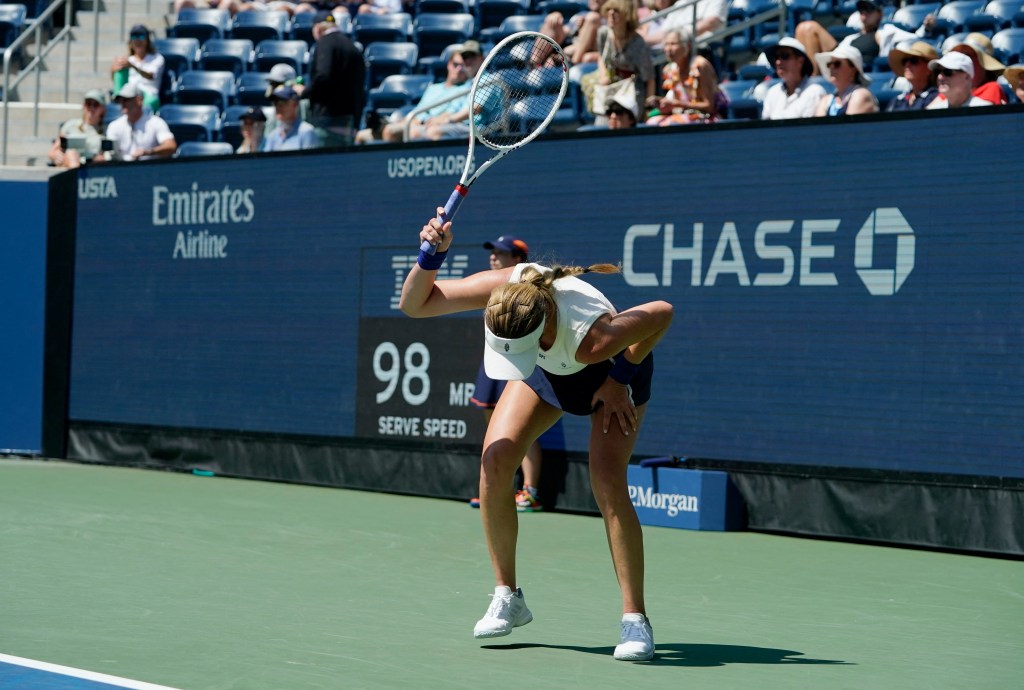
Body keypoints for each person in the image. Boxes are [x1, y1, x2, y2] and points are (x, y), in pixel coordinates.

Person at [400, 210, 674, 662]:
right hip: (544, 371)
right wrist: (432, 255)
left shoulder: (593, 339)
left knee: (607, 484)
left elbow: (661, 314)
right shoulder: (506, 289)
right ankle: (508, 596)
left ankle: (635, 620)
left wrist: (618, 377)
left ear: (543, 329)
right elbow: (416, 304)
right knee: (494, 461)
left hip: (610, 375)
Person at [468, 235, 545, 513]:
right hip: (496, 360)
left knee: (524, 429)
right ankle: (497, 488)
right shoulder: (488, 286)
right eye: (493, 252)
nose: (493, 257)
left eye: (501, 253)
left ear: (517, 260)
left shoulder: (529, 289)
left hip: (521, 361)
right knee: (494, 427)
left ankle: (531, 491)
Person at [795, 0, 916, 76]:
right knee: (804, 29)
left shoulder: (886, 32)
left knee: (809, 27)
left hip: (854, 68)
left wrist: (927, 29)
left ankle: (811, 79)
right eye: (861, 11)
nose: (864, 15)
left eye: (869, 10)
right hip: (839, 59)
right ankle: (810, 79)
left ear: (880, 13)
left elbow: (915, 38)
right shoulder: (852, 37)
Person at [305, 12, 366, 147]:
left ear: (318, 28)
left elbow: (323, 76)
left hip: (327, 122)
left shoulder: (325, 43)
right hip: (349, 123)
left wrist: (304, 92)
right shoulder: (352, 47)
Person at [379, 51, 470, 142]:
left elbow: (450, 114)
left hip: (430, 126)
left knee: (391, 131)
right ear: (449, 64)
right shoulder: (433, 88)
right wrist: (406, 121)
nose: (458, 69)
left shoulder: (464, 89)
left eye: (463, 66)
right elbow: (419, 109)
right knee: (366, 135)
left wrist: (421, 121)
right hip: (415, 122)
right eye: (455, 64)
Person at [590, 0, 656, 123]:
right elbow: (601, 56)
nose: (611, 13)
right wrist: (604, 74)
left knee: (620, 121)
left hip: (631, 92)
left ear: (627, 15)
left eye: (616, 10)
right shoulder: (603, 33)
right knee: (601, 123)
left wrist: (648, 109)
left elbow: (650, 79)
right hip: (610, 88)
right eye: (609, 9)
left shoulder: (638, 43)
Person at [644, 27, 724, 125]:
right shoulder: (669, 69)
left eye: (673, 44)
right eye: (666, 44)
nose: (668, 49)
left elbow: (709, 106)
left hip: (704, 118)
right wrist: (663, 103)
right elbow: (675, 103)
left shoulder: (700, 66)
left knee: (672, 123)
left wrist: (677, 104)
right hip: (680, 115)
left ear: (688, 46)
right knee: (651, 122)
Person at [760, 37, 827, 120]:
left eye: (784, 56)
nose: (778, 62)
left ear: (800, 61)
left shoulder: (814, 92)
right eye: (776, 57)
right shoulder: (772, 92)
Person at [105, 84, 177, 161]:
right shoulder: (114, 126)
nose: (122, 103)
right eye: (120, 100)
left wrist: (149, 152)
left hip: (149, 169)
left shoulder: (156, 122)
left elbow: (171, 146)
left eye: (126, 100)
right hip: (123, 170)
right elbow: (109, 154)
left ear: (139, 100)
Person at [110, 24, 165, 114]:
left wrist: (133, 66)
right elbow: (116, 78)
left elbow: (150, 75)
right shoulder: (129, 60)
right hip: (130, 94)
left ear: (147, 40)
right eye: (134, 37)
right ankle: (118, 100)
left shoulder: (157, 58)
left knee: (143, 109)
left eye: (141, 36)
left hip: (149, 95)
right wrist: (113, 69)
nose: (137, 40)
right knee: (119, 71)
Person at [813, 43, 878, 116]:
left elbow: (848, 127)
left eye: (837, 64)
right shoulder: (826, 100)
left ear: (853, 70)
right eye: (829, 64)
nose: (831, 68)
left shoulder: (860, 95)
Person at [48, 89, 107, 169]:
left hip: (93, 166)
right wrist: (56, 155)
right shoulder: (71, 125)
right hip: (70, 163)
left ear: (102, 109)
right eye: (88, 104)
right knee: (72, 154)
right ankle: (76, 176)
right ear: (84, 106)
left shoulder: (106, 130)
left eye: (95, 105)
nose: (91, 108)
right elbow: (53, 151)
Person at [948, 33, 1008, 106]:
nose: (963, 60)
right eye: (961, 55)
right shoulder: (953, 88)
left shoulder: (992, 88)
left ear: (983, 64)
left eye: (969, 55)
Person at [925, 52, 992, 109]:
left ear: (967, 77)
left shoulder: (984, 110)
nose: (940, 77)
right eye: (937, 71)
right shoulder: (933, 111)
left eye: (948, 72)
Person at [263, 85, 320, 150]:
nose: (278, 107)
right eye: (275, 103)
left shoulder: (307, 132)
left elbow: (310, 160)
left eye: (282, 102)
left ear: (295, 104)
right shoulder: (272, 136)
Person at [886, 41, 939, 111]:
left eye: (914, 60)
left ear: (929, 68)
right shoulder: (898, 100)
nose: (907, 65)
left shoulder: (937, 98)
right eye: (905, 61)